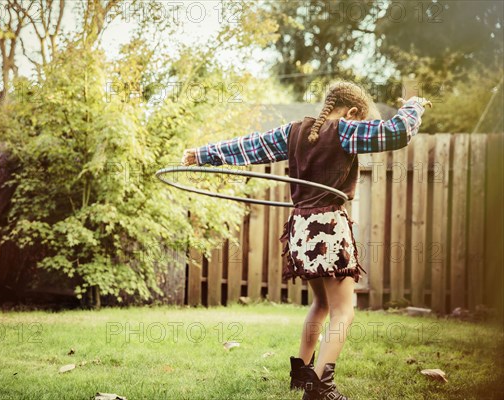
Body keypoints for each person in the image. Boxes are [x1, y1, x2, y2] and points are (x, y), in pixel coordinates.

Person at [181, 81, 431, 400]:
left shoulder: (294, 131)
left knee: (322, 303)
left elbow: (247, 147)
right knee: (344, 309)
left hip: (300, 228)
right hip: (328, 226)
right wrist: (414, 105)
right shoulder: (345, 130)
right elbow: (397, 132)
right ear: (351, 112)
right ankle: (320, 389)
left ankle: (302, 372)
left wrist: (200, 154)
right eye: (359, 118)